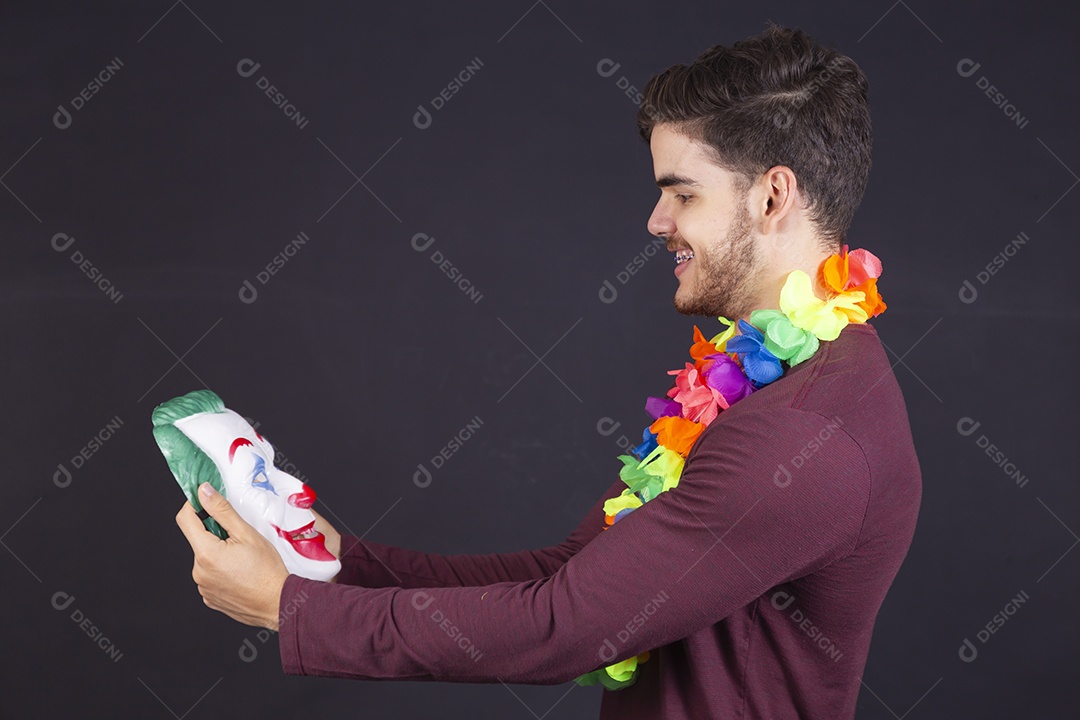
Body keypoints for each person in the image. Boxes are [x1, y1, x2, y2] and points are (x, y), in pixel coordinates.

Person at [176, 23, 921, 719]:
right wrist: (343, 567)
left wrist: (290, 608)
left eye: (683, 192)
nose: (657, 222)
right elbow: (568, 573)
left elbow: (566, 625)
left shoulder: (803, 432)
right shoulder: (761, 378)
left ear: (771, 195)